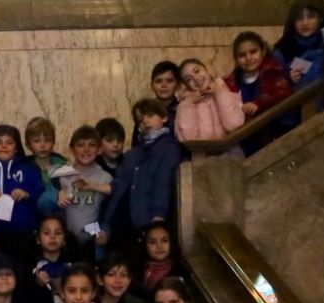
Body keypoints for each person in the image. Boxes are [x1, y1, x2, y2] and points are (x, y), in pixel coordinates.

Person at [102, 99, 181, 250]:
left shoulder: (169, 147)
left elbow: (163, 182)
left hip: (146, 218)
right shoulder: (135, 152)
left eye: (150, 115)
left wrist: (159, 216)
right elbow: (118, 186)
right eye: (140, 119)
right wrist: (107, 222)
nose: (145, 121)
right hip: (122, 218)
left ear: (164, 117)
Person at [0, 124, 47, 259]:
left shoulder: (30, 171)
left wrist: (27, 194)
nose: (4, 146)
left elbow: (43, 196)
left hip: (26, 233)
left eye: (9, 143)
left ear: (17, 148)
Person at [226, 30, 295, 154]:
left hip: (271, 135)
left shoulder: (272, 72)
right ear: (236, 59)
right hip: (245, 138)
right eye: (242, 55)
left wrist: (259, 103)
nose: (248, 58)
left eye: (253, 52)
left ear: (262, 52)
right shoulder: (232, 80)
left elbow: (283, 93)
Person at [175, 58, 246, 149]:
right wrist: (187, 104)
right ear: (187, 86)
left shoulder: (226, 88)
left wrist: (219, 92)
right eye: (189, 79)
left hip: (232, 151)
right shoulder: (187, 106)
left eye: (197, 71)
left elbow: (234, 124)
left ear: (208, 70)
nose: (195, 78)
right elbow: (189, 139)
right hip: (202, 157)